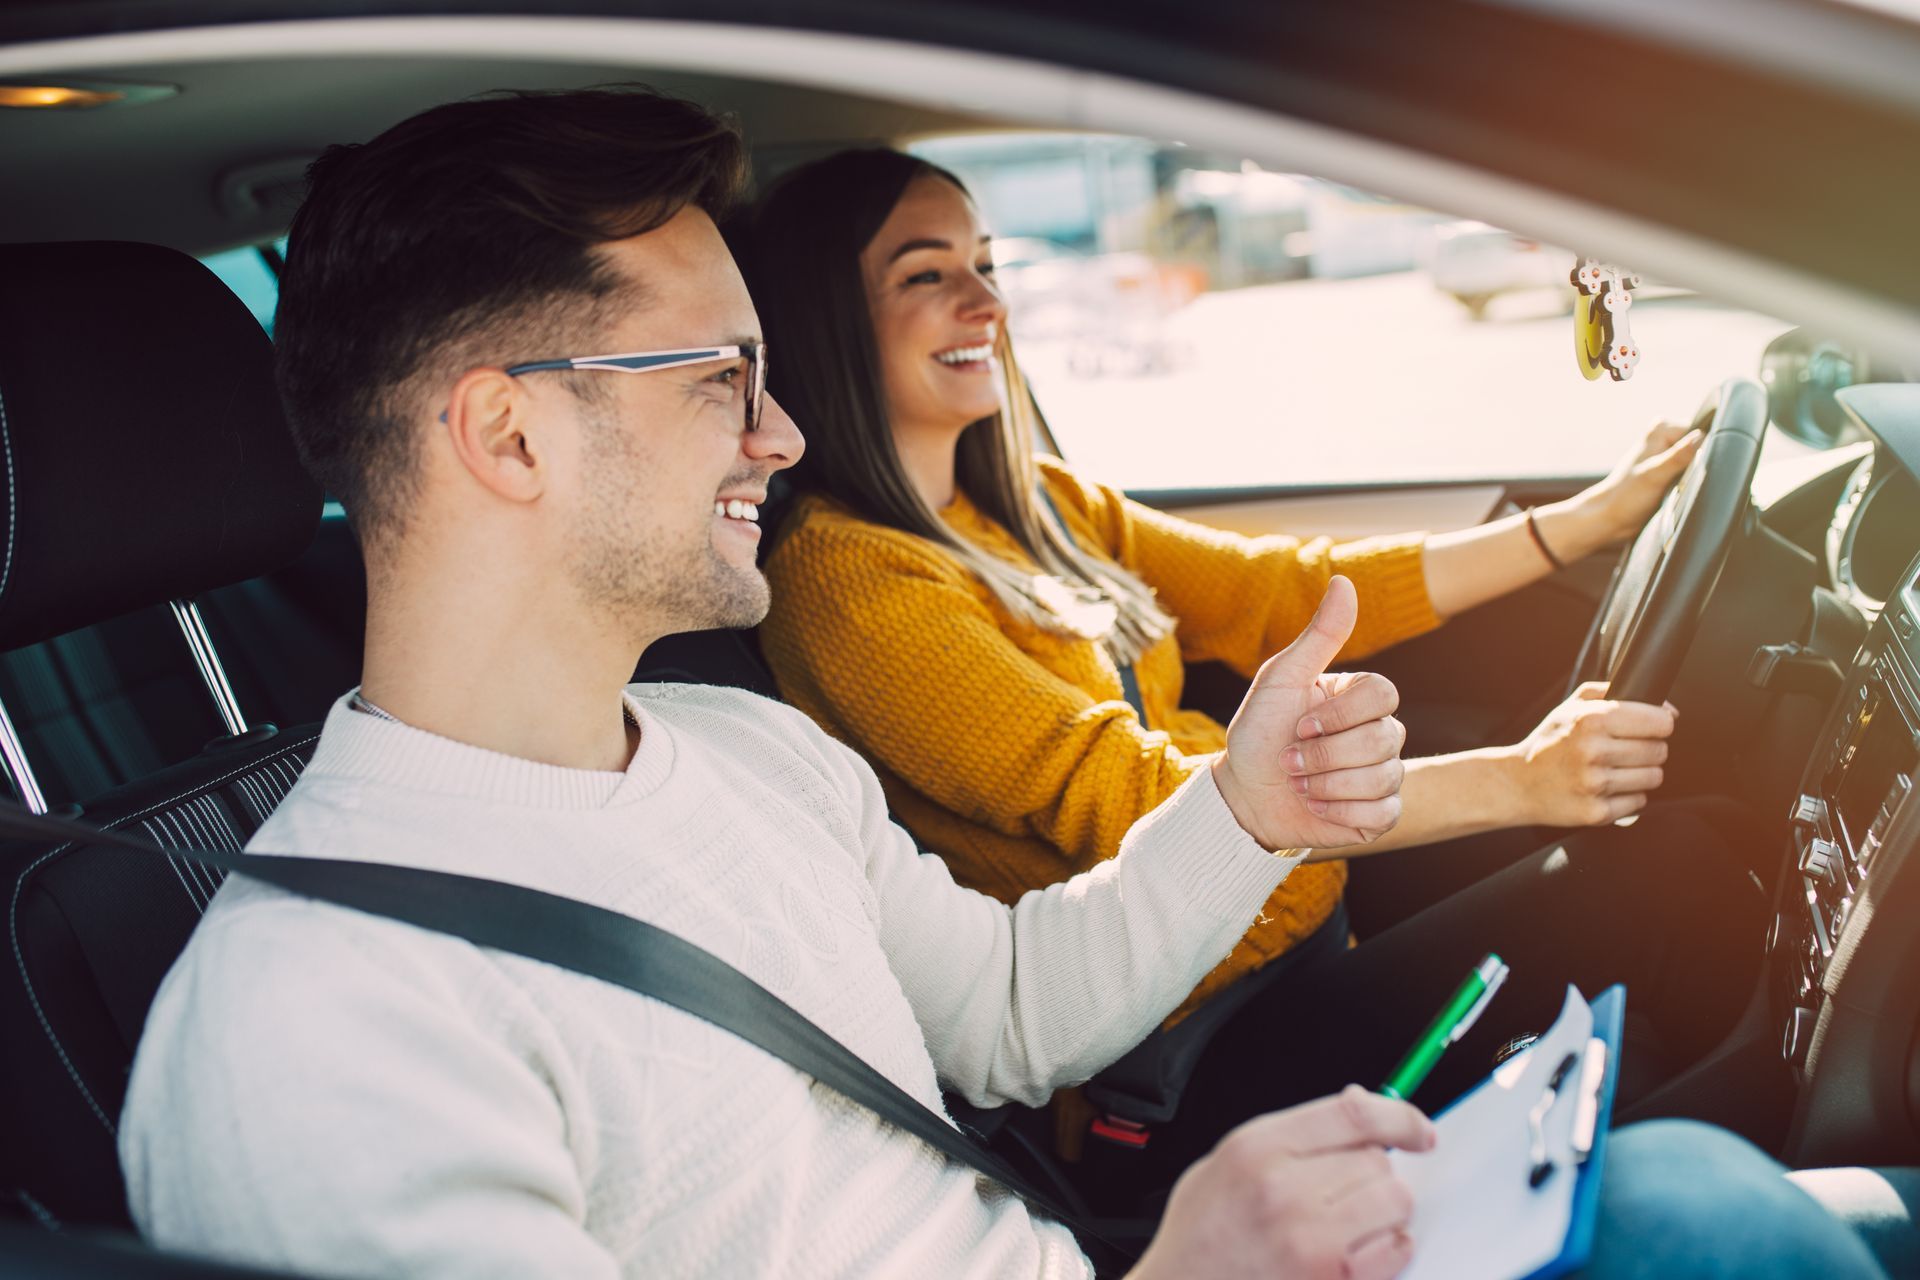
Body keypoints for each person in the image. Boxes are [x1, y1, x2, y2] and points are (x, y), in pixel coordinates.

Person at [115, 87, 1894, 1280]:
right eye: (720, 379)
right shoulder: (311, 1040)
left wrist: (1250, 808)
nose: (783, 430)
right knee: (1696, 1221)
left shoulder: (741, 756)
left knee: (1758, 1214)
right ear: (506, 433)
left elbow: (1020, 1010)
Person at [748, 149, 1766, 1114]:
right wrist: (1522, 778)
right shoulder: (848, 579)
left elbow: (1277, 591)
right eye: (926, 276)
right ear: (829, 318)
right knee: (1683, 867)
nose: (987, 302)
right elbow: (1137, 797)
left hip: (1301, 935)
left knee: (1703, 837)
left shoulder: (1032, 504)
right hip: (1195, 1046)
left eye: (987, 264)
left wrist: (1572, 525)